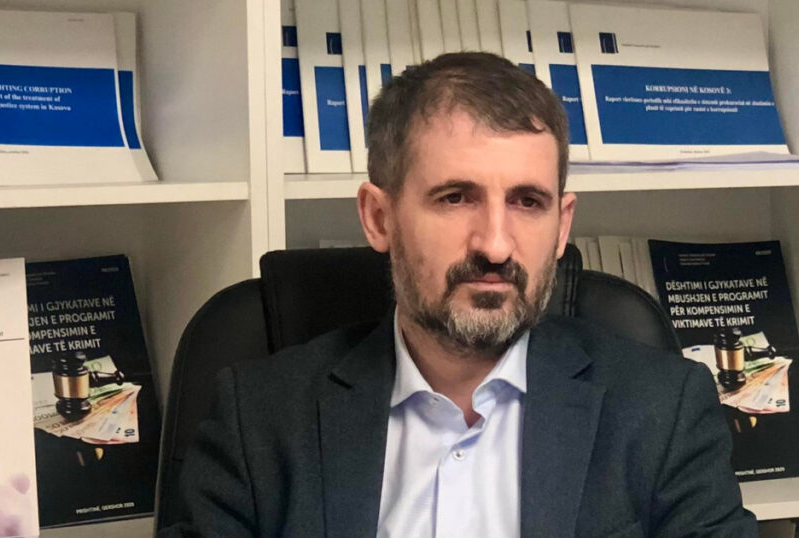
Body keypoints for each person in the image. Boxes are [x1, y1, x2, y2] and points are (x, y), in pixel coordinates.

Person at [159, 52, 757, 538]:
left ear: (562, 226)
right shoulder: (258, 418)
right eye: (455, 198)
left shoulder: (662, 409)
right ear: (379, 218)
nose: (495, 245)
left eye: (528, 201)